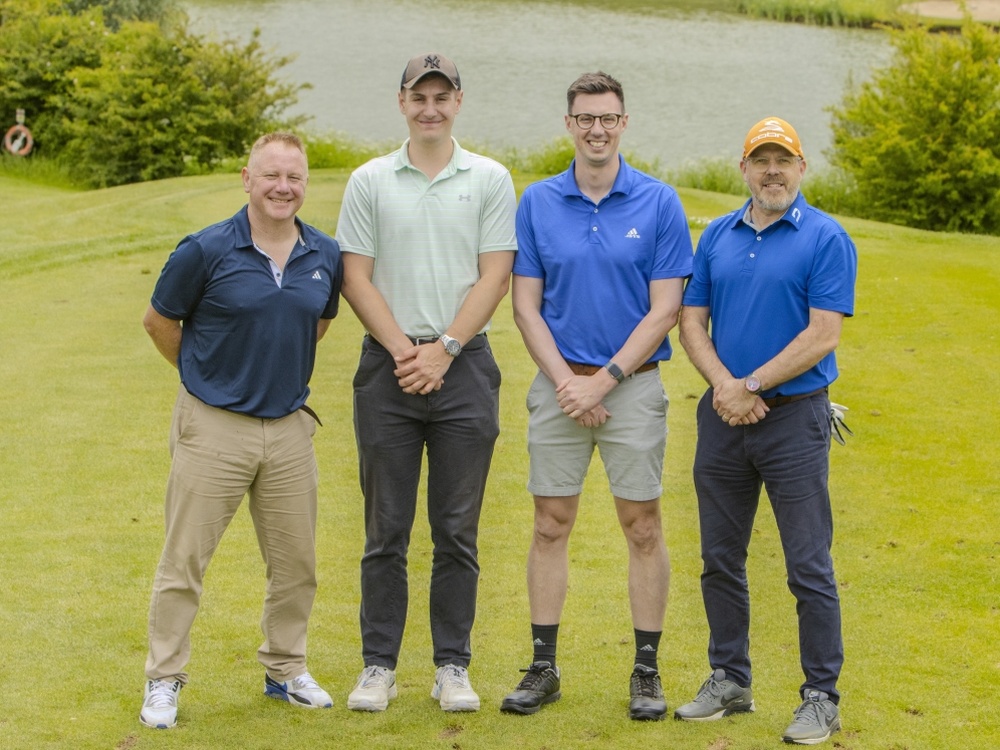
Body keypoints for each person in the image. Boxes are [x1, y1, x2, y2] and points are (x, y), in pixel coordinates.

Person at [499, 71, 693, 721]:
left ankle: (646, 670)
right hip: (558, 384)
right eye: (585, 118)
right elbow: (526, 307)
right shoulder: (538, 202)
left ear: (624, 123)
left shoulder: (659, 203)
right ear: (569, 125)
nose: (597, 129)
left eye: (608, 118)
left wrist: (602, 381)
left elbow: (665, 309)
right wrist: (567, 384)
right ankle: (544, 666)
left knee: (642, 526)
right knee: (550, 523)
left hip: (630, 389)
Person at [139, 132, 342, 729]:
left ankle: (285, 670)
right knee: (184, 562)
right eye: (272, 175)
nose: (284, 187)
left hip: (287, 430)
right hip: (214, 427)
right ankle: (163, 679)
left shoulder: (323, 253)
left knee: (296, 564)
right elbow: (159, 323)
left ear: (306, 183)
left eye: (295, 178)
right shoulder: (204, 250)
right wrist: (209, 376)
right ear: (246, 179)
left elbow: (319, 323)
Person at [335, 52, 517, 713]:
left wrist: (442, 349)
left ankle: (452, 665)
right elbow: (356, 276)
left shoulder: (491, 178)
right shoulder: (370, 180)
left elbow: (494, 274)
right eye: (420, 97)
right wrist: (404, 352)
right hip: (388, 368)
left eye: (442, 97)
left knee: (456, 529)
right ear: (402, 101)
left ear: (459, 102)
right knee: (385, 528)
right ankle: (378, 665)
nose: (431, 108)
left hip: (464, 365)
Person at [674, 117, 857, 745]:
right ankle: (729, 678)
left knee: (808, 564)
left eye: (784, 160)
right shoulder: (718, 235)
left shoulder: (826, 237)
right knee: (719, 559)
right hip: (723, 420)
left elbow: (823, 335)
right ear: (744, 168)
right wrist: (726, 386)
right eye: (761, 160)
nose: (772, 171)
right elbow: (691, 319)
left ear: (802, 168)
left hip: (793, 420)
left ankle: (820, 697)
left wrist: (747, 386)